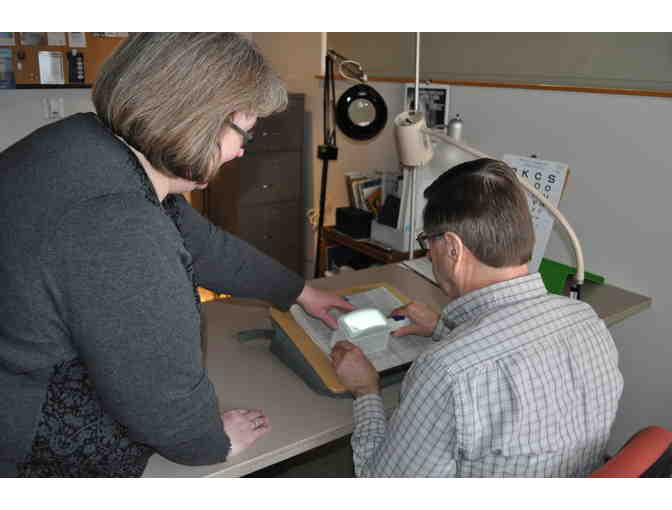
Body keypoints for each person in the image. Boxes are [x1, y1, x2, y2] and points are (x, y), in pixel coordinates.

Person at [0, 33, 353, 477]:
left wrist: (300, 291)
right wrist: (210, 440)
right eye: (243, 133)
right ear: (195, 121)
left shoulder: (85, 142)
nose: (242, 151)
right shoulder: (121, 224)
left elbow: (205, 246)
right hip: (35, 439)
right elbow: (159, 395)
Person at [331, 158, 623, 477]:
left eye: (428, 241)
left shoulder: (446, 372)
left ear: (452, 248)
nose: (428, 254)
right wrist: (442, 327)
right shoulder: (587, 321)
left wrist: (365, 391)